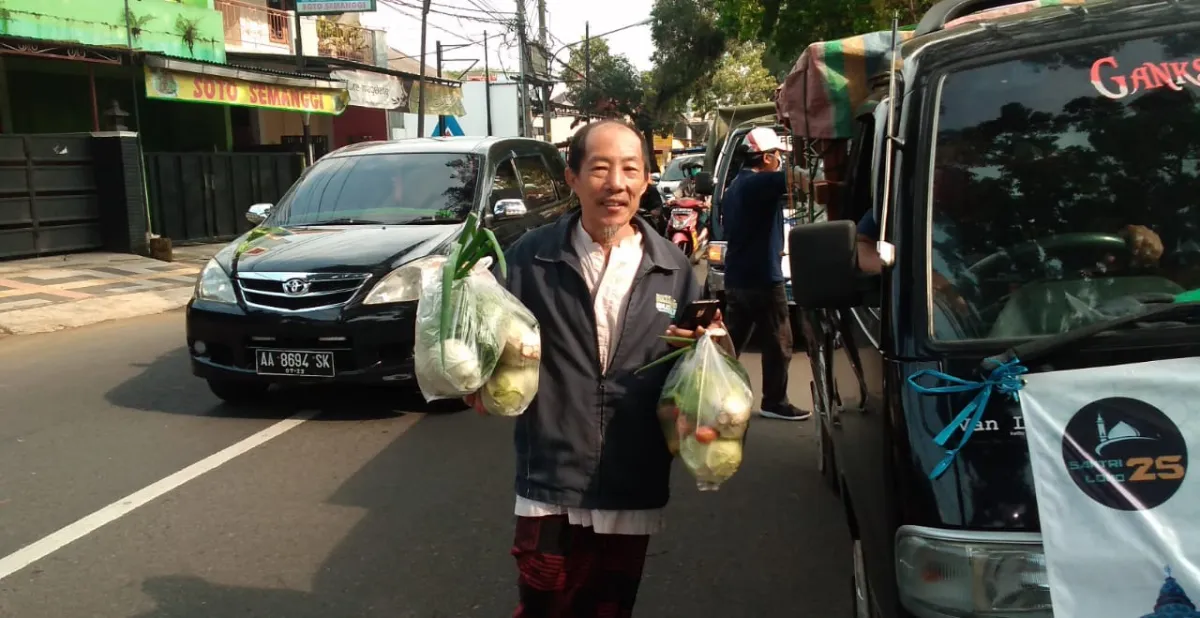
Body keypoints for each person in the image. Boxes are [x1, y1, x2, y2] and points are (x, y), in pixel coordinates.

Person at [465, 120, 726, 618]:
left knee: (611, 606)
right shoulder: (530, 258)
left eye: (631, 169)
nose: (616, 184)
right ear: (573, 178)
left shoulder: (673, 266)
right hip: (551, 474)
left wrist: (711, 359)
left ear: (647, 181)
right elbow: (484, 332)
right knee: (543, 602)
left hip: (634, 476)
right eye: (600, 169)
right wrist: (475, 378)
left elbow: (703, 362)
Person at [720, 127, 811, 422]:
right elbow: (796, 180)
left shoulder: (735, 186)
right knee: (778, 344)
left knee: (730, 345)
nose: (780, 162)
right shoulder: (757, 185)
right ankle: (774, 401)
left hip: (737, 277)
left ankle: (710, 395)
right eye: (778, 157)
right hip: (762, 279)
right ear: (768, 157)